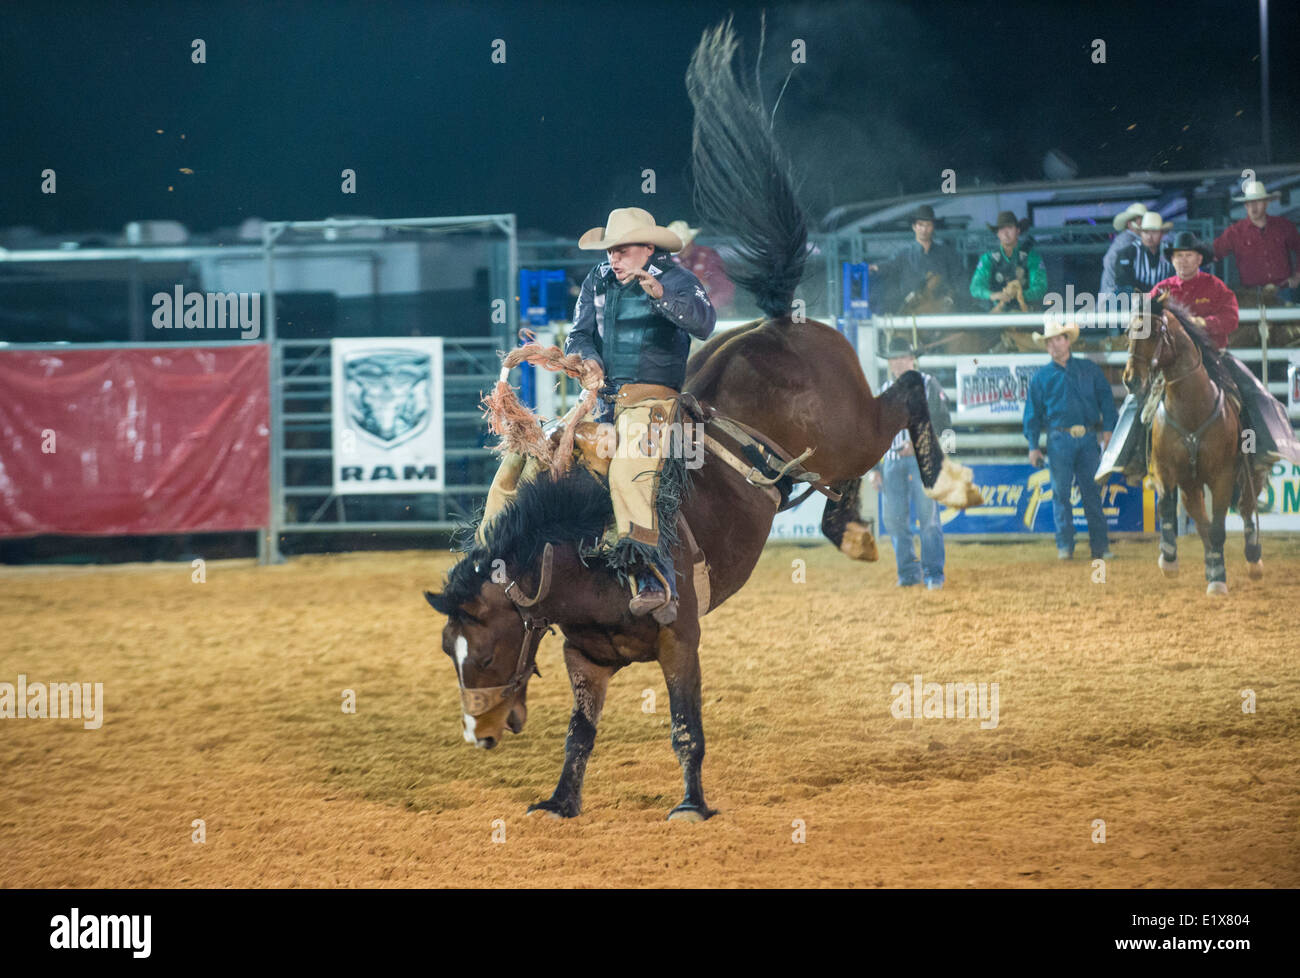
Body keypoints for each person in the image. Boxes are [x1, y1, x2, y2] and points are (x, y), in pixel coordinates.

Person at [563, 207, 716, 623]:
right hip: (608, 400)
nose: (614, 258)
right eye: (611, 250)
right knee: (546, 455)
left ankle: (653, 575)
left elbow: (704, 323)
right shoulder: (597, 280)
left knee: (629, 467)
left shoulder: (678, 280)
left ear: (648, 248)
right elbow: (578, 333)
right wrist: (589, 359)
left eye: (623, 250)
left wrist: (661, 297)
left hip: (654, 400)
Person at [1023, 321, 1117, 560]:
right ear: (1046, 347)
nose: (1054, 344)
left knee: (1091, 493)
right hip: (1059, 438)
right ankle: (1066, 546)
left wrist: (1108, 430)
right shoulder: (1041, 378)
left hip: (1086, 437)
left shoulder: (1089, 369)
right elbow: (1032, 415)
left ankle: (1100, 547)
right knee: (1060, 493)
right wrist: (1033, 446)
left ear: (1067, 341)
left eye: (1058, 339)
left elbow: (1107, 399)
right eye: (1049, 341)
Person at [868, 336, 951, 588]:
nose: (898, 363)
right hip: (891, 463)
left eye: (903, 358)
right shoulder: (884, 389)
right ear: (889, 363)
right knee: (894, 520)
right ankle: (908, 573)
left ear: (912, 359)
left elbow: (945, 426)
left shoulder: (929, 384)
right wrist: (874, 469)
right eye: (894, 359)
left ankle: (933, 573)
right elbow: (875, 432)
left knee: (928, 519)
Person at [868, 205, 968, 313]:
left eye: (928, 225)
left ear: (933, 227)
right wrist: (875, 267)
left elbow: (960, 280)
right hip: (912, 311)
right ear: (914, 227)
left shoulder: (947, 254)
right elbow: (890, 264)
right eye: (920, 225)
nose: (924, 229)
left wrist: (952, 299)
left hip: (941, 312)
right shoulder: (904, 254)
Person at [1214, 180, 1300, 303]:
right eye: (1249, 203)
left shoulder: (1283, 226)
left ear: (1266, 203)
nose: (1253, 206)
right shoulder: (1234, 232)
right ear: (1245, 205)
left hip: (1283, 290)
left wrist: (1298, 275)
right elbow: (1214, 252)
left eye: (1258, 201)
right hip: (1252, 294)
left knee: (1287, 321)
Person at [1150, 232, 1238, 348]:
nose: (1183, 260)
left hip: (1210, 352)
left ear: (1199, 259)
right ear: (1172, 260)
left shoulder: (1216, 286)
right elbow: (1143, 318)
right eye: (1179, 255)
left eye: (1189, 255)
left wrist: (1203, 323)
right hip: (1172, 356)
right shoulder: (1161, 289)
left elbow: (1231, 318)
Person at [970, 211, 1048, 311]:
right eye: (1002, 229)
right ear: (997, 233)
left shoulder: (1032, 256)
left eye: (1010, 228)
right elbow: (975, 287)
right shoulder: (988, 258)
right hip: (997, 318)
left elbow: (1041, 287)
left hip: (1026, 317)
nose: (1006, 233)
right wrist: (993, 295)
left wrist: (1018, 294)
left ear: (1018, 231)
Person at [668, 220, 735, 313]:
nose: (678, 254)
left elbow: (724, 290)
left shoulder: (709, 257)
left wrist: (703, 310)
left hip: (713, 314)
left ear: (690, 242)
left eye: (681, 250)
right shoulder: (670, 261)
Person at [1113, 211, 1174, 293]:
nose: (1149, 237)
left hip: (1165, 297)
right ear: (1140, 233)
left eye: (1154, 232)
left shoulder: (1171, 251)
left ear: (1161, 234)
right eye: (1145, 232)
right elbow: (1123, 281)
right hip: (1136, 299)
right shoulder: (1128, 253)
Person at [1100, 202, 1148, 296]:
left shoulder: (1127, 241)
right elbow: (1110, 262)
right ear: (1130, 224)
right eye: (1141, 220)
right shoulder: (1126, 242)